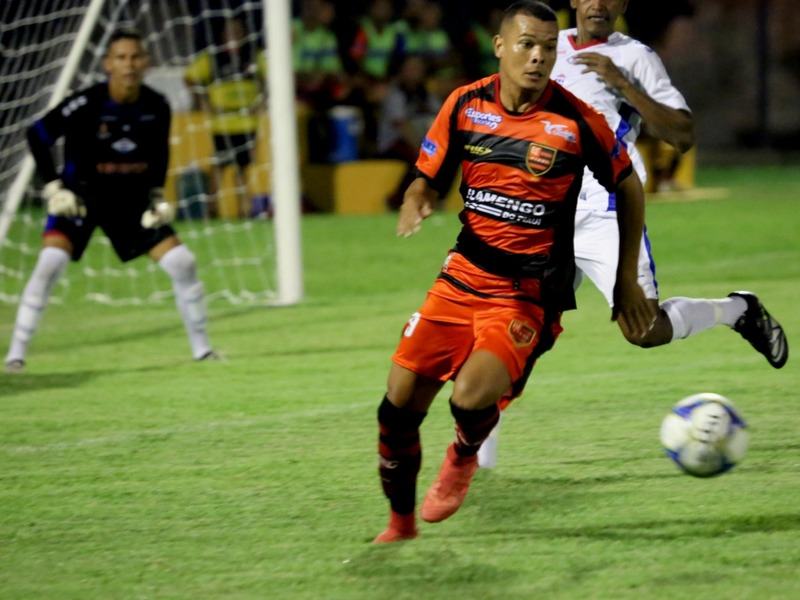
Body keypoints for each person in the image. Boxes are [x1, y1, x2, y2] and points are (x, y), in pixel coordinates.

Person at [373, 0, 656, 543]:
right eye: (526, 44)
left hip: (526, 292)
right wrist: (417, 198)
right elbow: (426, 173)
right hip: (461, 276)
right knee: (397, 406)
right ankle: (400, 525)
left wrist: (624, 280)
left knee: (469, 398)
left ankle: (463, 454)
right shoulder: (464, 104)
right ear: (500, 46)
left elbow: (629, 184)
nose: (538, 57)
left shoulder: (575, 119)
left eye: (549, 47)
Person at [477, 0, 789, 469]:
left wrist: (624, 85)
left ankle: (737, 310)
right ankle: (477, 466)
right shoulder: (544, 47)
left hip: (607, 212)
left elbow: (682, 134)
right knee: (508, 333)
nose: (599, 3)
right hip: (540, 214)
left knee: (645, 331)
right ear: (575, 1)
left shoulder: (635, 57)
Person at [4, 29, 216, 374]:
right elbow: (37, 135)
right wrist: (54, 187)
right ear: (107, 64)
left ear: (145, 62)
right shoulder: (85, 103)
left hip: (131, 203)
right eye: (121, 58)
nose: (128, 65)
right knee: (49, 264)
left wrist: (157, 194)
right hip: (81, 200)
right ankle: (15, 356)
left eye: (135, 57)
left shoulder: (156, 105)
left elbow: (159, 152)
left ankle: (203, 351)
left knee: (183, 263)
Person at [184, 16, 266, 218]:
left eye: (238, 31)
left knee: (243, 170)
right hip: (222, 123)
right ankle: (212, 210)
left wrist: (262, 98)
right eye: (230, 31)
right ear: (222, 35)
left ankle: (244, 210)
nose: (234, 35)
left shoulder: (253, 56)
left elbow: (270, 75)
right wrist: (204, 100)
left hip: (247, 121)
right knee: (218, 169)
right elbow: (190, 78)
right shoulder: (212, 58)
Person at [376, 54, 442, 209]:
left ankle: (436, 198)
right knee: (418, 160)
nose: (415, 72)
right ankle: (397, 200)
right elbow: (401, 126)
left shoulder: (425, 95)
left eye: (418, 68)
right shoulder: (396, 94)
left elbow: (440, 119)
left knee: (448, 158)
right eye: (411, 68)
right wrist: (422, 147)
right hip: (395, 143)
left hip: (421, 142)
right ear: (401, 71)